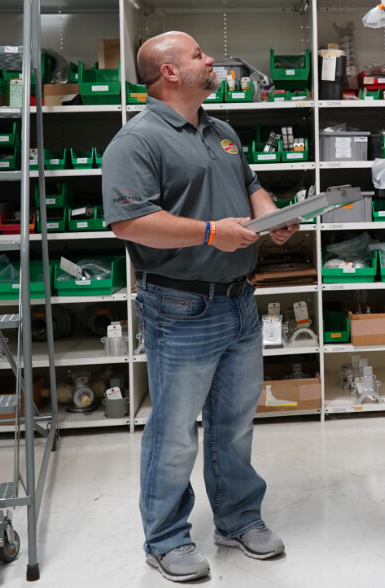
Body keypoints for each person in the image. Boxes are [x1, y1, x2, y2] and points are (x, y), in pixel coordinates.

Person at [102, 30, 298, 582]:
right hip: (181, 306)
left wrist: (270, 217)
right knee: (174, 431)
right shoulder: (137, 140)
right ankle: (164, 539)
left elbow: (251, 184)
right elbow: (130, 222)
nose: (209, 60)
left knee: (234, 423)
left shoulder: (221, 130)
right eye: (197, 55)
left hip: (240, 300)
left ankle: (237, 519)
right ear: (169, 73)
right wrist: (212, 232)